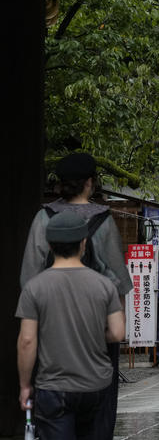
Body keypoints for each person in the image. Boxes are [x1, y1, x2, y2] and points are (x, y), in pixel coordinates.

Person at [20, 152, 131, 436]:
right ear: (90, 184)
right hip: (98, 339)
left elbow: (28, 277)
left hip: (51, 340)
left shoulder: (42, 218)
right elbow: (119, 281)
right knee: (97, 421)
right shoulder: (104, 221)